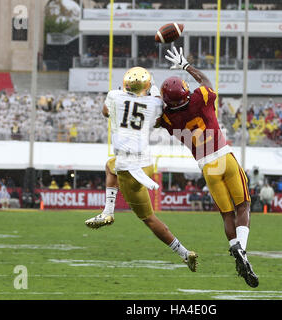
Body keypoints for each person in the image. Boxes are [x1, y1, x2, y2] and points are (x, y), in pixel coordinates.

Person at [158, 46, 258, 287]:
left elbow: (155, 115)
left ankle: (236, 249)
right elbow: (206, 81)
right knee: (243, 205)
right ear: (184, 93)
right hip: (224, 156)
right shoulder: (199, 99)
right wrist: (186, 66)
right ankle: (241, 250)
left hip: (207, 166)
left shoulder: (169, 119)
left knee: (227, 214)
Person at [84, 66, 198, 272]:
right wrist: (151, 91)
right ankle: (107, 212)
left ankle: (109, 213)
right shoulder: (154, 102)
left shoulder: (115, 95)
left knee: (149, 218)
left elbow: (105, 112)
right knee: (110, 165)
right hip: (147, 164)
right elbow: (155, 118)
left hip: (128, 168)